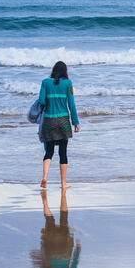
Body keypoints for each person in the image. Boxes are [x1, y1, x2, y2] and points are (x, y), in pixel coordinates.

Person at [38, 61, 80, 189]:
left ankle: (45, 177)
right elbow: (71, 105)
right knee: (63, 152)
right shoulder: (68, 84)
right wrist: (75, 122)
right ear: (65, 71)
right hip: (63, 121)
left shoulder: (45, 82)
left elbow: (41, 100)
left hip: (49, 120)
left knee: (49, 151)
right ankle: (63, 184)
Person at [30, 189, 81, 268]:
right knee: (49, 222)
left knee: (64, 220)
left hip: (65, 253)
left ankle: (63, 193)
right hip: (51, 255)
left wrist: (78, 250)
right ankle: (45, 203)